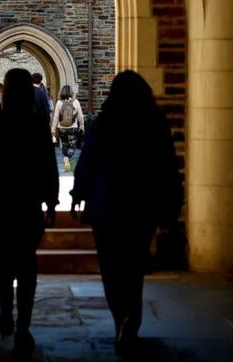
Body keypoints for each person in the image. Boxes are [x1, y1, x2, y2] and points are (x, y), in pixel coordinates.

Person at [69, 70, 183, 356]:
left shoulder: (106, 121)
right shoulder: (153, 122)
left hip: (106, 207)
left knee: (111, 267)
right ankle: (130, 318)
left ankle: (121, 317)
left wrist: (78, 194)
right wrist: (172, 202)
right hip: (140, 207)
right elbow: (168, 166)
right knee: (134, 267)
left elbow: (88, 160)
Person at [0, 68, 59, 355]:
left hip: (4, 205)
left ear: (5, 91)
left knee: (6, 263)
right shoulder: (37, 124)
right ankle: (23, 325)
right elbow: (49, 165)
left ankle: (7, 317)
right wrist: (51, 201)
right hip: (29, 204)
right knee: (27, 265)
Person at [50, 85, 85, 173]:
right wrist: (82, 125)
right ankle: (68, 158)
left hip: (61, 128)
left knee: (64, 145)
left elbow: (56, 117)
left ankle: (65, 158)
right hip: (73, 127)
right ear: (71, 92)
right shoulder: (76, 102)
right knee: (72, 146)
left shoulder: (59, 102)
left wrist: (53, 130)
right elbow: (80, 115)